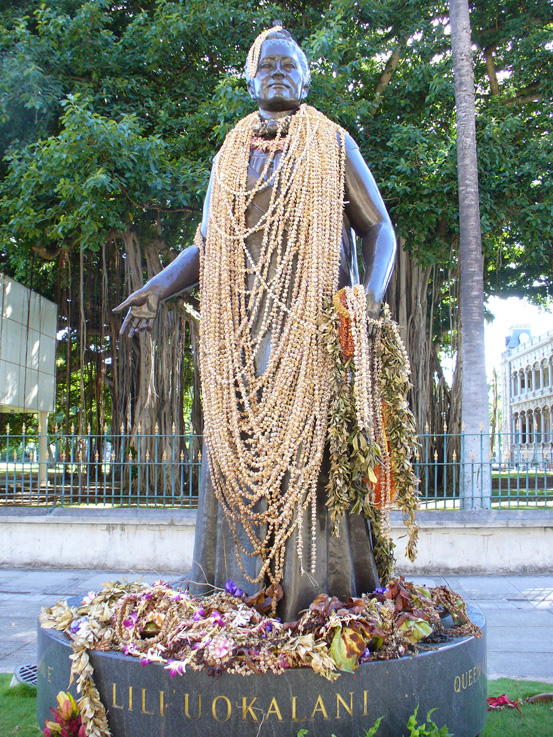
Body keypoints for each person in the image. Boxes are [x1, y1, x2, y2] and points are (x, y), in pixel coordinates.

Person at [115, 25, 396, 621]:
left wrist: (367, 303)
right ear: (249, 81)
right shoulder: (229, 155)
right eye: (266, 64)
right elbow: (209, 244)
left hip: (312, 331)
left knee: (310, 455)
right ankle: (235, 595)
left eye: (289, 65)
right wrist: (158, 287)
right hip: (240, 335)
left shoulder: (333, 144)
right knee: (236, 452)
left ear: (306, 79)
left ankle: (314, 596)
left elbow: (379, 229)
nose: (277, 73)